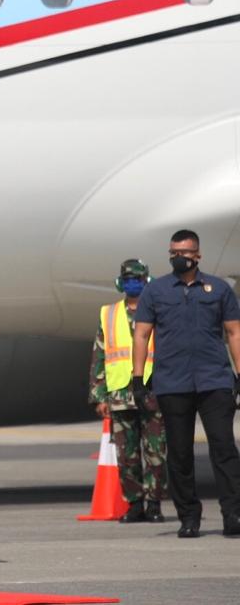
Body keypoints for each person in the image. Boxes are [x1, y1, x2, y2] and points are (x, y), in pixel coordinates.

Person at [131, 229, 240, 538]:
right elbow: (141, 334)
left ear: (197, 255)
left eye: (184, 252)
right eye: (174, 252)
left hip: (214, 380)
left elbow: (234, 332)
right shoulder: (156, 292)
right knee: (179, 453)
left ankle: (233, 514)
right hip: (172, 382)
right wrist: (138, 379)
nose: (179, 257)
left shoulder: (218, 289)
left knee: (224, 449)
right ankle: (188, 517)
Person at [87, 258, 167, 523]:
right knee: (126, 455)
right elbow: (100, 355)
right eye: (129, 279)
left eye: (138, 279)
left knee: (156, 453)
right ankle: (135, 504)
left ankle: (154, 503)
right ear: (121, 282)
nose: (133, 283)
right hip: (121, 394)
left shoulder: (159, 311)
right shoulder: (108, 314)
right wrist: (99, 395)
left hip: (153, 391)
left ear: (147, 281)